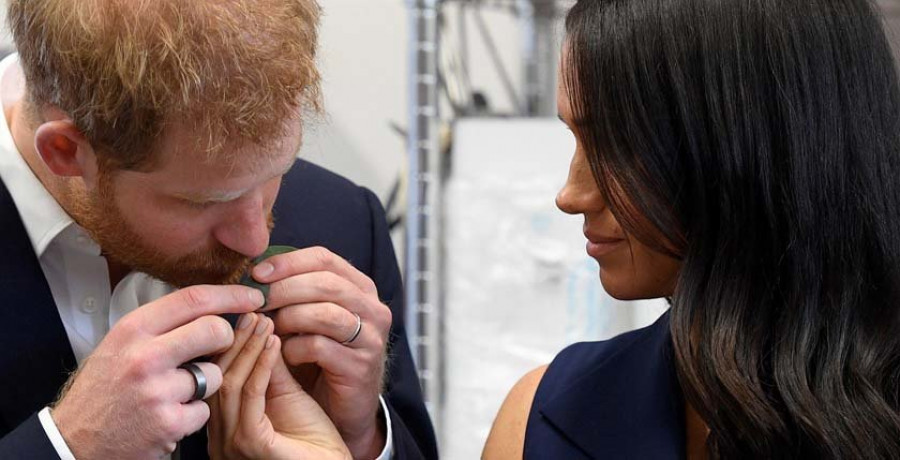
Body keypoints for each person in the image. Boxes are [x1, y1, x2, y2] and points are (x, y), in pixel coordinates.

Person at [0, 0, 437, 458]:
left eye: (277, 169)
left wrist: (360, 437)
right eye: (205, 201)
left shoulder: (341, 221)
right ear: (67, 151)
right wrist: (65, 447)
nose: (256, 240)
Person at [483, 0, 900, 458]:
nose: (570, 195)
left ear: (746, 144)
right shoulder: (544, 421)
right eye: (578, 140)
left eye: (618, 146)